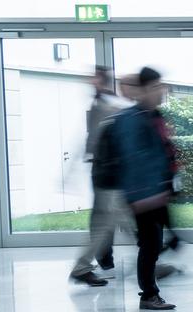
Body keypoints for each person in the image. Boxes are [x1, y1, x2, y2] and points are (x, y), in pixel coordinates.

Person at [116, 67, 178, 310]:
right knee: (150, 245)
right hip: (144, 195)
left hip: (157, 192)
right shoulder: (131, 119)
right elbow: (133, 159)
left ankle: (151, 292)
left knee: (155, 242)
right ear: (142, 91)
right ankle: (149, 295)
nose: (160, 91)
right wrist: (142, 195)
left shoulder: (153, 115)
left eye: (161, 86)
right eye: (154, 87)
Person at [70, 66, 133, 287]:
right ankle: (82, 267)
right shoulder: (108, 105)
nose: (90, 81)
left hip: (106, 175)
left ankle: (83, 267)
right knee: (117, 221)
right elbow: (95, 141)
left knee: (115, 221)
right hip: (109, 176)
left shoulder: (105, 103)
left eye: (94, 77)